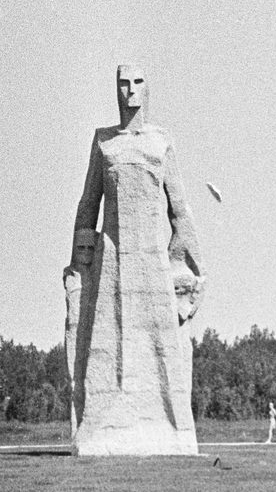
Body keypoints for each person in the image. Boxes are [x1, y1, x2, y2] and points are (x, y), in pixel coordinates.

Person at [68, 64, 205, 454]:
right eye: (123, 83)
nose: (130, 90)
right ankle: (103, 425)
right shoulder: (104, 143)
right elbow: (87, 204)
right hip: (111, 261)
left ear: (148, 89)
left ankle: (170, 429)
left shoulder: (161, 143)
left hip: (153, 264)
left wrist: (187, 263)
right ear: (115, 89)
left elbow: (178, 208)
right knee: (107, 344)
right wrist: (80, 262)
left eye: (138, 83)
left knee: (162, 348)